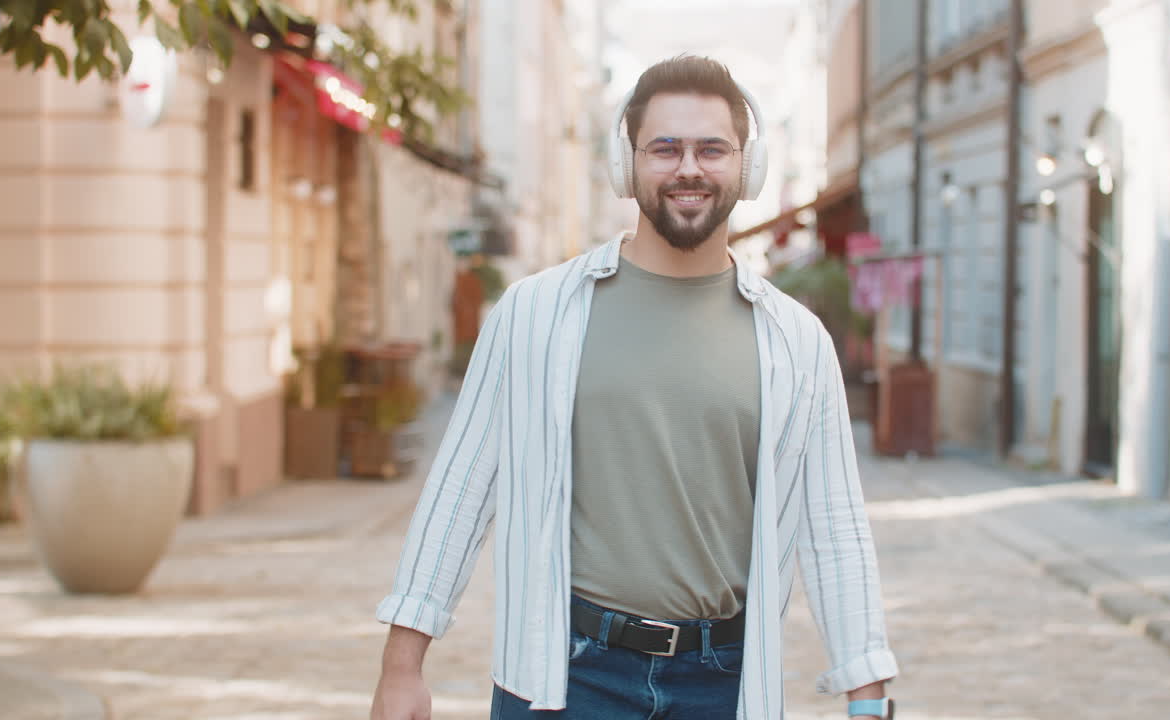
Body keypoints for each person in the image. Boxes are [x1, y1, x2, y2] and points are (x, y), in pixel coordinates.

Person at [370, 55, 898, 720]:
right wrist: (401, 667)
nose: (689, 169)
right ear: (627, 165)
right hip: (563, 677)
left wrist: (868, 695)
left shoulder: (796, 342)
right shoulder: (535, 314)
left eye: (712, 149)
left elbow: (836, 529)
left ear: (747, 167)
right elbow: (461, 487)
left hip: (725, 685)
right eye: (665, 149)